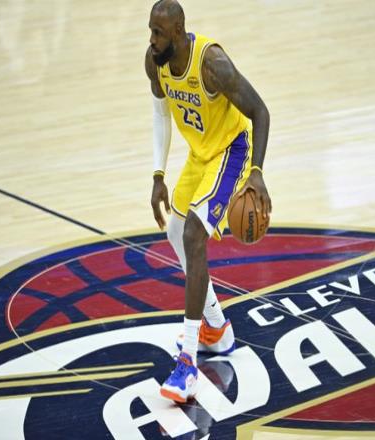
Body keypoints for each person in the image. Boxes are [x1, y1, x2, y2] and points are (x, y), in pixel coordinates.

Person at [145, 0, 271, 403]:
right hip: (201, 155)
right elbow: (161, 115)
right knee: (175, 231)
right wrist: (158, 175)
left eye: (158, 32)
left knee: (194, 235)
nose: (152, 39)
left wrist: (257, 172)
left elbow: (260, 112)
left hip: (232, 151)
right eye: (150, 31)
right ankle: (216, 327)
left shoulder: (212, 64)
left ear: (177, 30)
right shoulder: (155, 62)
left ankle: (188, 364)